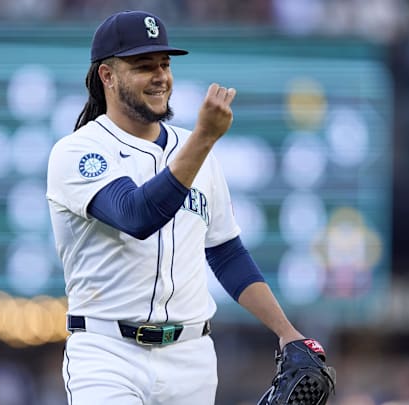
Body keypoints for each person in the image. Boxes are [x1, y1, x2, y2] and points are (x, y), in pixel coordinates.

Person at [46, 10, 315, 405]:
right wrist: (205, 138)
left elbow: (226, 253)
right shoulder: (80, 150)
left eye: (165, 63)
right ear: (107, 75)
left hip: (191, 357)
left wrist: (287, 331)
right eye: (143, 65)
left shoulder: (193, 148)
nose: (160, 76)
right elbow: (136, 216)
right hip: (108, 354)